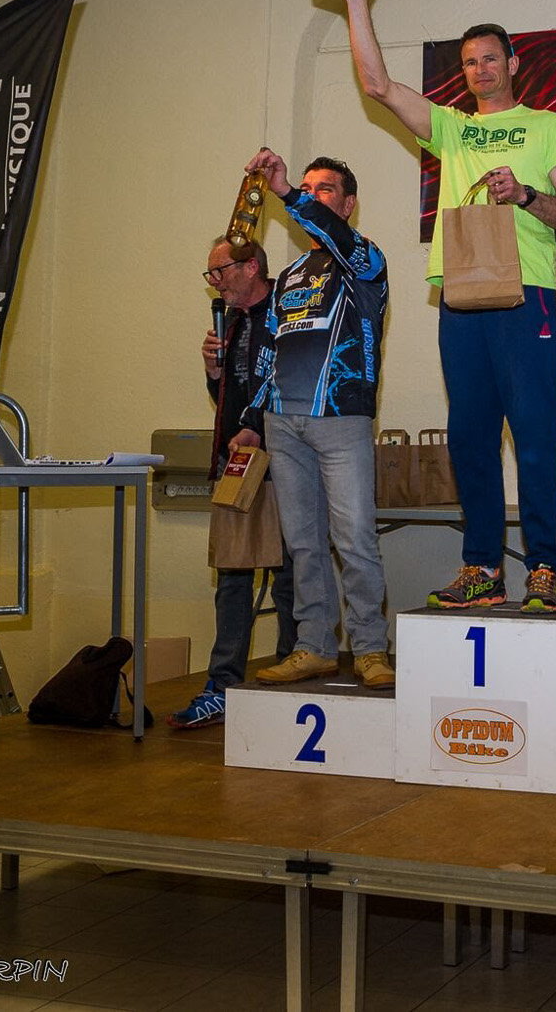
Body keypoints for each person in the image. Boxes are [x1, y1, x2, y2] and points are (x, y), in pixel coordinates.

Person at [340, 0, 556, 614]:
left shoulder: (547, 125)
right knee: (470, 436)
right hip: (462, 297)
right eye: (470, 61)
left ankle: (543, 566)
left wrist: (525, 195)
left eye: (490, 58)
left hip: (528, 295)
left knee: (533, 433)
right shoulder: (452, 129)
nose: (480, 69)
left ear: (513, 63)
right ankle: (482, 566)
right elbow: (377, 86)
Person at [229, 150, 395, 690]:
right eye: (307, 187)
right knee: (302, 544)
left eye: (324, 189)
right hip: (284, 423)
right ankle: (315, 646)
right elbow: (269, 351)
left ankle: (370, 649)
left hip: (341, 418)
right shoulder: (289, 275)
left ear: (348, 204)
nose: (312, 196)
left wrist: (285, 193)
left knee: (354, 539)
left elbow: (333, 234)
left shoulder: (364, 260)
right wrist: (253, 418)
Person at [168, 236, 298, 728]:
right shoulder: (233, 321)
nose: (214, 282)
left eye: (219, 271)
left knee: (290, 574)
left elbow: (295, 382)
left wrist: (259, 426)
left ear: (251, 268)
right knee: (232, 575)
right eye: (211, 274)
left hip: (286, 462)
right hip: (238, 463)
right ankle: (222, 686)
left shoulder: (288, 312)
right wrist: (212, 372)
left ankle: (291, 677)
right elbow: (231, 393)